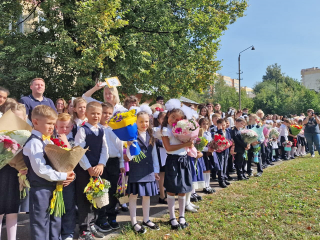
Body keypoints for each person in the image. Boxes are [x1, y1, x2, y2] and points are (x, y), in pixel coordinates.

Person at [23, 105, 75, 240]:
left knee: (55, 221)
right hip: (40, 189)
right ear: (35, 122)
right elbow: (41, 169)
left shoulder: (48, 140)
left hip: (54, 187)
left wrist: (69, 173)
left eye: (53, 123)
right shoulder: (34, 143)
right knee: (41, 224)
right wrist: (63, 175)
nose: (52, 127)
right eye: (49, 123)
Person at [74, 101, 109, 240]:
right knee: (84, 198)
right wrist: (88, 167)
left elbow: (105, 149)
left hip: (97, 170)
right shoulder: (82, 130)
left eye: (98, 113)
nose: (96, 116)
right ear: (86, 114)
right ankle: (84, 229)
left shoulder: (101, 130)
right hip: (85, 170)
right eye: (93, 113)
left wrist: (101, 164)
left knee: (95, 197)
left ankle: (92, 224)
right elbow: (79, 151)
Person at [126, 111, 160, 234]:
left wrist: (156, 170)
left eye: (146, 121)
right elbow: (129, 157)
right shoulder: (132, 136)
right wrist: (130, 145)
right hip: (136, 170)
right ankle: (134, 221)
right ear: (136, 122)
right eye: (141, 121)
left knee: (147, 196)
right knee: (133, 196)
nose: (144, 124)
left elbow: (154, 154)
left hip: (149, 171)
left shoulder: (151, 136)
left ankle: (146, 219)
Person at [159, 107, 193, 230]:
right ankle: (172, 217)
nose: (174, 120)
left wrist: (191, 140)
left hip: (183, 160)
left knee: (183, 188)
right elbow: (168, 148)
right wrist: (186, 144)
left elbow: (191, 140)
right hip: (172, 160)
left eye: (178, 119)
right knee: (171, 189)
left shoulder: (182, 129)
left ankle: (182, 216)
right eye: (173, 117)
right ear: (168, 115)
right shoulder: (165, 130)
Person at [95, 102, 126, 232]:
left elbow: (120, 147)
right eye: (104, 113)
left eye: (109, 113)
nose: (106, 115)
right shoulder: (96, 128)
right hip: (100, 163)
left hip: (113, 162)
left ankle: (112, 216)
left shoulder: (115, 128)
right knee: (101, 191)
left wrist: (121, 164)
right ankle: (101, 218)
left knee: (113, 191)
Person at [0, 97, 25, 240]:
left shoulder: (25, 134)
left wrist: (22, 167)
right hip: (2, 172)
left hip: (15, 175)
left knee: (12, 210)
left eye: (20, 118)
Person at [55, 113, 77, 240]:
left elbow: (74, 157)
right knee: (56, 207)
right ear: (56, 126)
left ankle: (68, 233)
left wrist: (66, 143)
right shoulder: (50, 139)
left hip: (69, 179)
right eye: (61, 127)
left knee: (69, 206)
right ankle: (56, 232)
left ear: (72, 126)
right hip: (54, 179)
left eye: (67, 127)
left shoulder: (73, 139)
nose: (64, 130)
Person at [198, 118, 215, 194]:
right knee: (204, 169)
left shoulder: (209, 133)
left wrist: (213, 147)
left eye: (207, 124)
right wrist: (207, 149)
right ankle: (204, 186)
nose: (205, 125)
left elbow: (211, 142)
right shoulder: (200, 133)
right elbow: (199, 145)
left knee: (208, 169)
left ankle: (208, 185)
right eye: (203, 124)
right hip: (203, 152)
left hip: (209, 153)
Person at [216, 118, 232, 187]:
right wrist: (220, 130)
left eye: (224, 125)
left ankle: (225, 178)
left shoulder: (227, 132)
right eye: (221, 125)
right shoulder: (218, 132)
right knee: (221, 165)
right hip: (220, 151)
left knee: (225, 164)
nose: (223, 127)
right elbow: (220, 138)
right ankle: (221, 180)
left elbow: (229, 139)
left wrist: (229, 143)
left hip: (226, 150)